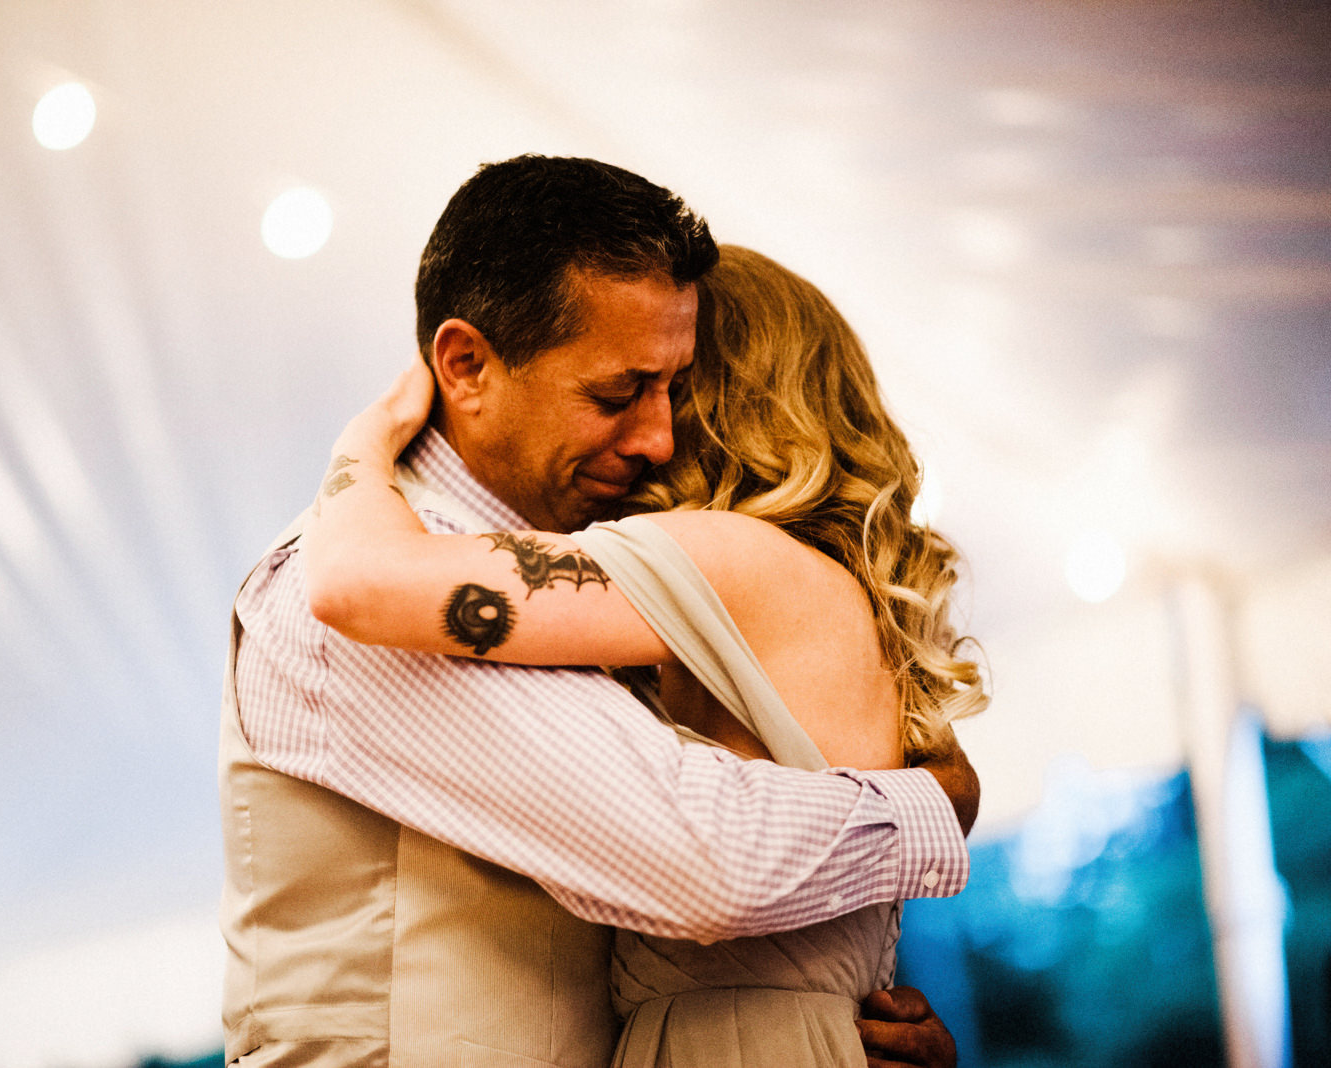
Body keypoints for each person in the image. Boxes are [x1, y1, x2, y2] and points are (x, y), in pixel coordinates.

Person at [220, 155, 977, 1068]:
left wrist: (828, 1018)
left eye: (678, 391)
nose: (658, 437)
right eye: (619, 393)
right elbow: (706, 863)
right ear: (464, 364)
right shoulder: (347, 603)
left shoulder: (615, 602)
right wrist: (930, 804)